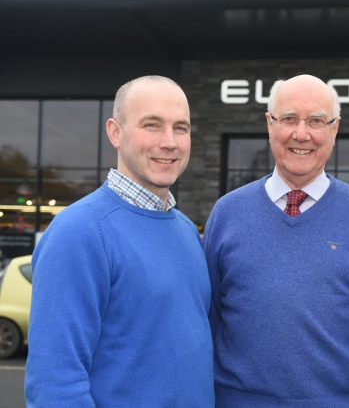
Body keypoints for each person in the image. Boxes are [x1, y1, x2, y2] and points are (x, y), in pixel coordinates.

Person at [25, 76, 215, 407]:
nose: (169, 141)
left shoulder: (186, 230)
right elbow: (54, 382)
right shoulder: (79, 232)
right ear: (115, 132)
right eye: (152, 125)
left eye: (180, 128)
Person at [203, 74, 349, 407]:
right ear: (269, 124)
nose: (301, 133)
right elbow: (210, 316)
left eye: (316, 121)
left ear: (334, 129)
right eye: (288, 118)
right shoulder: (227, 213)